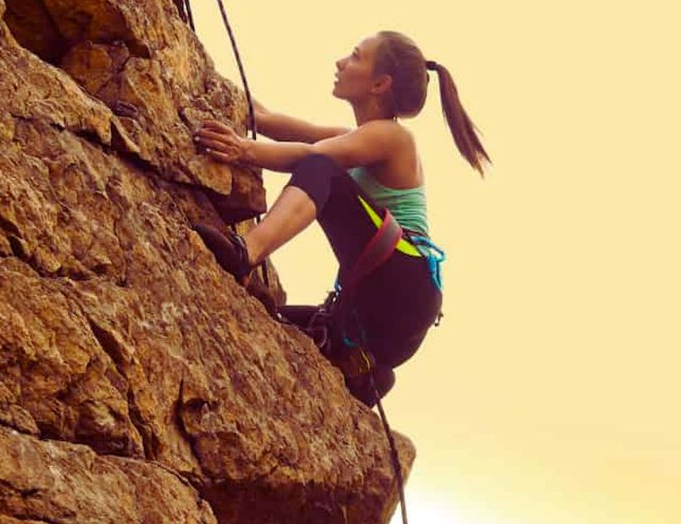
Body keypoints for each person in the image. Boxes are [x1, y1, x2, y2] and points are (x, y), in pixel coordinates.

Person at [193, 30, 490, 402]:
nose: (340, 63)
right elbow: (268, 119)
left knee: (321, 166)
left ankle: (246, 252)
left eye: (354, 56)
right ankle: (366, 369)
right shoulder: (358, 137)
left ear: (380, 83)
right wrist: (202, 66)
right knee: (272, 319)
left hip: (404, 283)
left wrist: (243, 151)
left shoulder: (394, 138)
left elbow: (309, 156)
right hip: (387, 313)